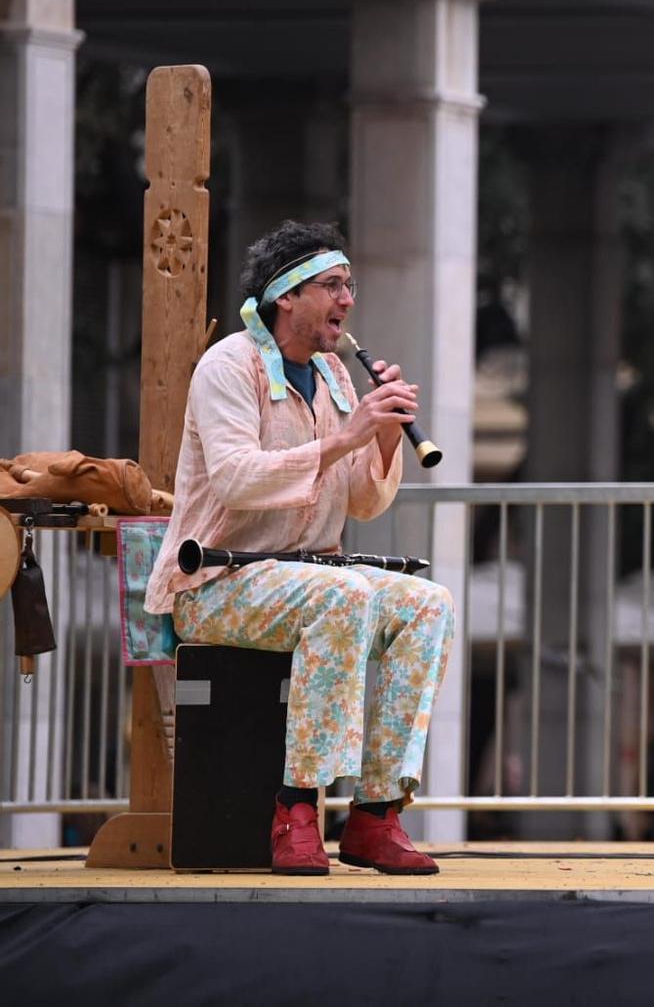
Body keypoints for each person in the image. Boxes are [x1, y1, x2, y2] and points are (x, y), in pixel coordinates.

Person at [144, 220, 455, 877]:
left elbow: (364, 503)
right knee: (340, 596)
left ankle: (376, 813)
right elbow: (236, 478)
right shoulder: (228, 366)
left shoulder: (336, 377)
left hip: (304, 581)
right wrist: (348, 438)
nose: (347, 300)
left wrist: (385, 435)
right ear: (287, 296)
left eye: (350, 286)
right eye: (333, 286)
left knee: (429, 603)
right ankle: (296, 811)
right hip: (216, 587)